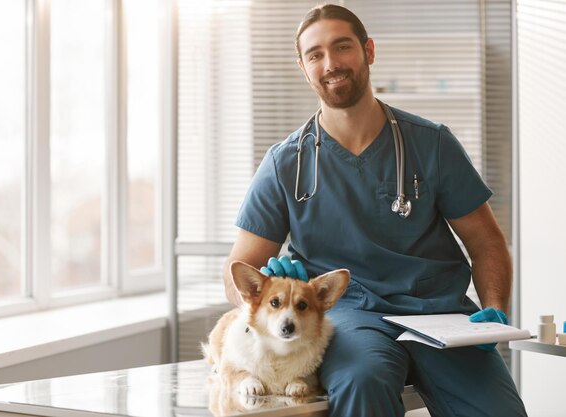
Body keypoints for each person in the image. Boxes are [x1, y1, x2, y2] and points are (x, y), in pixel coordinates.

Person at [222, 4, 527, 417]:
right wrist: (271, 287)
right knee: (361, 383)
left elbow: (486, 241)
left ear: (368, 50)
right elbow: (240, 271)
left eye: (342, 46)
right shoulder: (285, 164)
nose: (330, 63)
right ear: (303, 66)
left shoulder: (432, 144)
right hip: (352, 318)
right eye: (315, 54)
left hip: (441, 313)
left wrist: (494, 311)